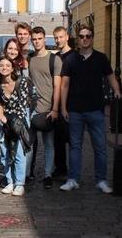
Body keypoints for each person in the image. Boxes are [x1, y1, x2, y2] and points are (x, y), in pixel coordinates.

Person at [60, 25, 122, 193]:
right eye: (81, 36)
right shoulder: (71, 59)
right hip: (74, 110)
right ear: (77, 39)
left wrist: (116, 90)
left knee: (100, 147)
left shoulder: (101, 58)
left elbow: (110, 76)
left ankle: (101, 180)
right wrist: (63, 107)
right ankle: (73, 179)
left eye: (88, 36)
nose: (85, 39)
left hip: (96, 110)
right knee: (75, 146)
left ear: (92, 38)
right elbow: (64, 84)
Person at [26, 26, 62, 189]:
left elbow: (57, 86)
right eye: (34, 39)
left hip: (48, 108)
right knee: (29, 144)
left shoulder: (54, 59)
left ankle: (48, 174)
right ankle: (27, 174)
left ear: (44, 39)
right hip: (31, 108)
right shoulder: (30, 58)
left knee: (49, 143)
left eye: (39, 38)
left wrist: (55, 109)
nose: (37, 41)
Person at [0, 56, 32, 197]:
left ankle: (19, 183)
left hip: (17, 123)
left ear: (12, 67)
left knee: (19, 153)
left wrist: (9, 119)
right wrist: (0, 112)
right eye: (1, 65)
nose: (4, 68)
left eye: (7, 65)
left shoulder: (21, 82)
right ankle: (10, 181)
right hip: (2, 123)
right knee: (5, 152)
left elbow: (23, 106)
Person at [52, 26, 74, 179]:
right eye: (56, 38)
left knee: (73, 140)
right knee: (58, 140)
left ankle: (73, 171)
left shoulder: (75, 56)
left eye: (61, 37)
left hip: (72, 104)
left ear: (67, 37)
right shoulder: (55, 57)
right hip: (57, 104)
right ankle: (61, 169)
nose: (58, 40)